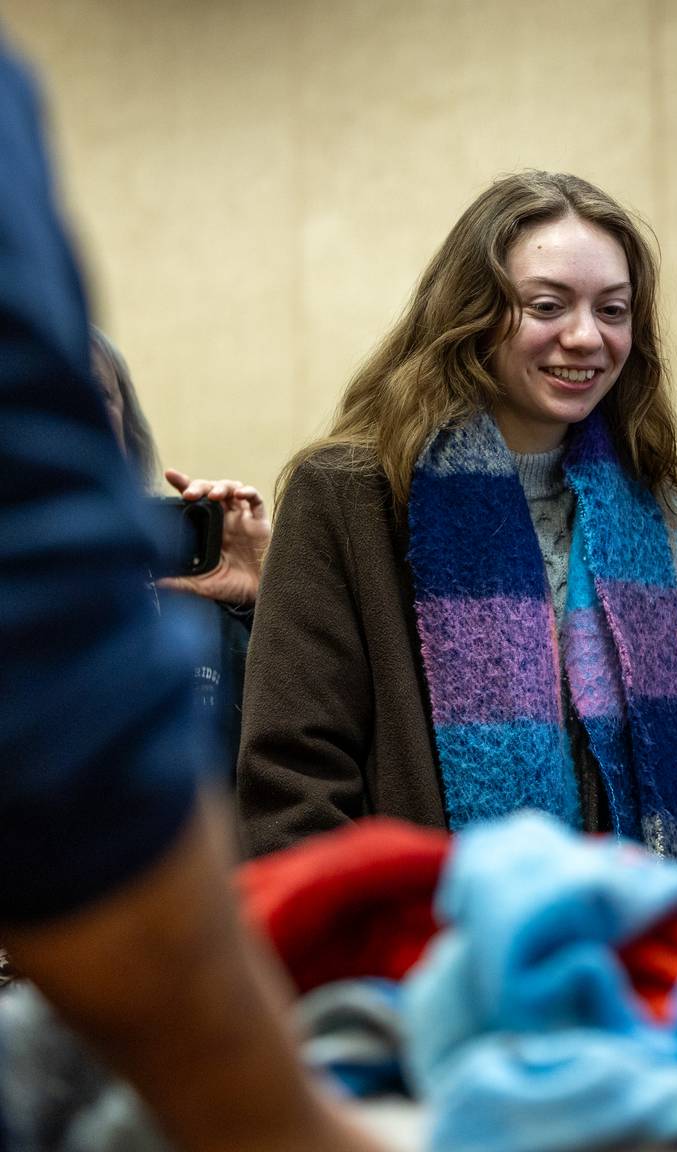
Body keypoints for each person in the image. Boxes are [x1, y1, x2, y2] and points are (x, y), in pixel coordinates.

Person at [0, 40, 383, 1152]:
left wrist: (270, 609)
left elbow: (263, 788)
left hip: (156, 981)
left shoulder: (193, 608)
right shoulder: (55, 620)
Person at [237, 172, 677, 914]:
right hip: (427, 966)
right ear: (473, 312)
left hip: (642, 962)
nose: (585, 337)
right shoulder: (353, 494)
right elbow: (293, 781)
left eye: (612, 310)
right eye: (547, 306)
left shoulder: (660, 501)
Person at [91, 326, 270, 777]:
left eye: (94, 394)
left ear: (127, 427)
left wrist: (262, 603)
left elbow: (272, 747)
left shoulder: (187, 571)